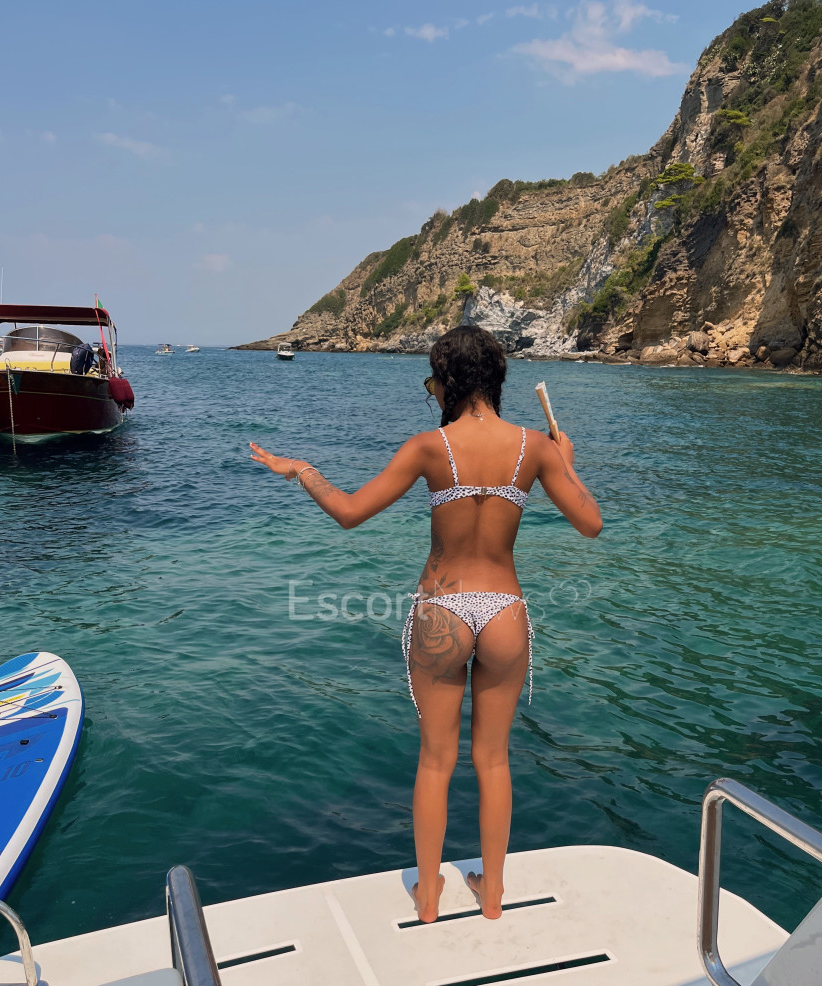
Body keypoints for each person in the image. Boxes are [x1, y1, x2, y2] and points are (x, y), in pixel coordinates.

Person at [250, 325, 602, 923]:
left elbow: (349, 513)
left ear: (449, 380)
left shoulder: (428, 447)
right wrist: (566, 464)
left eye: (432, 380)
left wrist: (302, 470)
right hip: (504, 610)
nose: (431, 389)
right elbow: (591, 524)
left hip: (443, 607)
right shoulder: (533, 448)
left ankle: (430, 899)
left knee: (436, 761)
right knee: (494, 760)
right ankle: (493, 896)